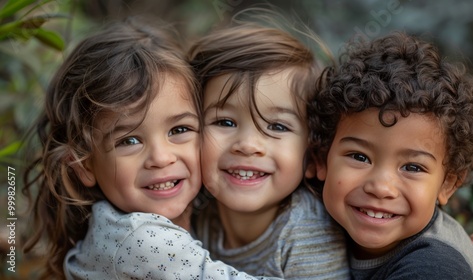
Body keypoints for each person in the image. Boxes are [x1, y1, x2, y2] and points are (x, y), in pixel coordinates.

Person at [22, 17, 280, 280]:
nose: (161, 158)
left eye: (179, 130)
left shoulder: (124, 224)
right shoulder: (141, 239)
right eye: (129, 141)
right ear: (84, 165)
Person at [309, 31, 473, 279]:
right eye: (359, 157)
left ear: (447, 184)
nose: (381, 187)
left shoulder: (433, 266)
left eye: (413, 167)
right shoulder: (311, 213)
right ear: (321, 159)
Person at [188, 15, 350, 279]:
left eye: (277, 127)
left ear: (312, 155)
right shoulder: (197, 210)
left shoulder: (306, 232)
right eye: (225, 121)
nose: (248, 145)